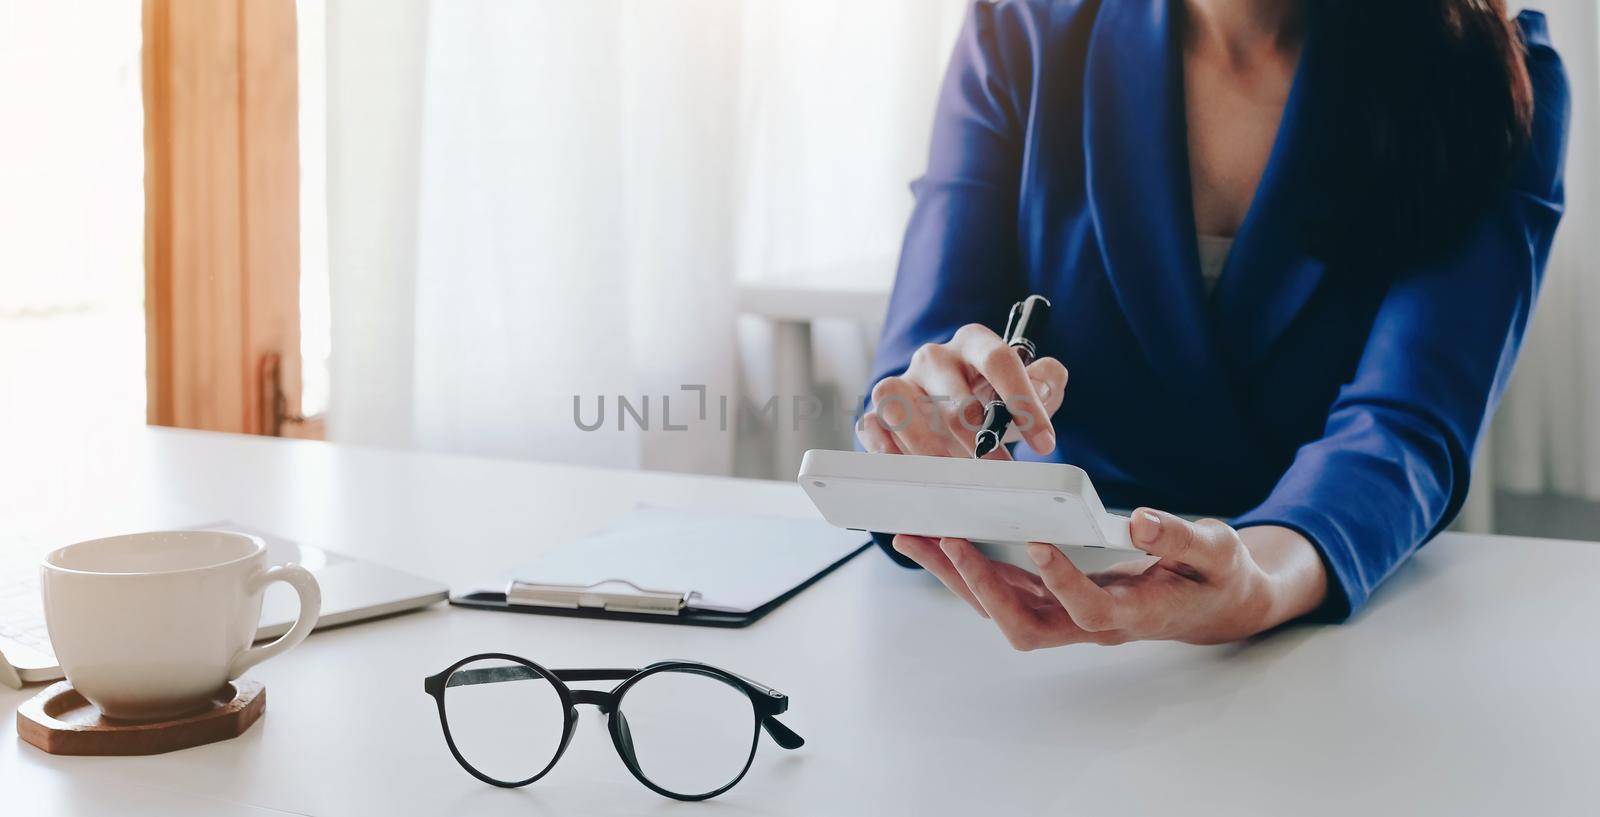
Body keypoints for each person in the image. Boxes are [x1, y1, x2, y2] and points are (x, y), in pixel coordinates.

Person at [859, 0, 1570, 647]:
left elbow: (1406, 424)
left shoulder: (1486, 68)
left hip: (1312, 624)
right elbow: (920, 351)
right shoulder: (1019, 27)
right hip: (1031, 596)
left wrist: (1263, 581)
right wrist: (924, 419)